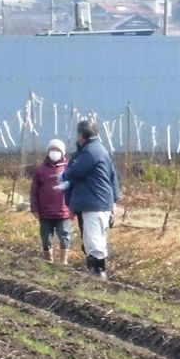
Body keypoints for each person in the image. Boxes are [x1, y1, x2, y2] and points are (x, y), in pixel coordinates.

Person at [62, 120, 119, 279]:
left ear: (82, 135)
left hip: (95, 202)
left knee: (94, 240)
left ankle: (98, 273)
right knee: (89, 239)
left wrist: (64, 175)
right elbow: (112, 177)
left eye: (78, 134)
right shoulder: (98, 150)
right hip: (94, 201)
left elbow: (75, 171)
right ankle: (94, 271)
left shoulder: (90, 152)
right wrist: (114, 200)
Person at [30, 139, 74, 265]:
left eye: (57, 150)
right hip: (45, 212)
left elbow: (75, 188)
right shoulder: (40, 170)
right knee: (46, 237)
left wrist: (74, 209)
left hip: (64, 211)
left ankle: (63, 262)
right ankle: (48, 260)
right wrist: (35, 209)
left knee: (65, 235)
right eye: (52, 150)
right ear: (48, 152)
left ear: (62, 152)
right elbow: (34, 192)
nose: (54, 153)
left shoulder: (69, 169)